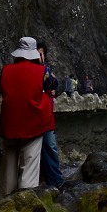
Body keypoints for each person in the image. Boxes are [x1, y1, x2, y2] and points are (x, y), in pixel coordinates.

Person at [0, 36, 54, 197]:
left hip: (10, 123)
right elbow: (53, 84)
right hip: (33, 123)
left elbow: (1, 85)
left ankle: (3, 202)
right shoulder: (42, 72)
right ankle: (25, 201)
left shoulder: (6, 70)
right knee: (29, 165)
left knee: (8, 166)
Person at [36, 39, 65, 189]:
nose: (38, 56)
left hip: (46, 117)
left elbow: (54, 87)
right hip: (34, 117)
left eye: (40, 54)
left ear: (44, 56)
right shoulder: (39, 72)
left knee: (50, 147)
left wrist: (54, 91)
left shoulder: (46, 72)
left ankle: (55, 182)